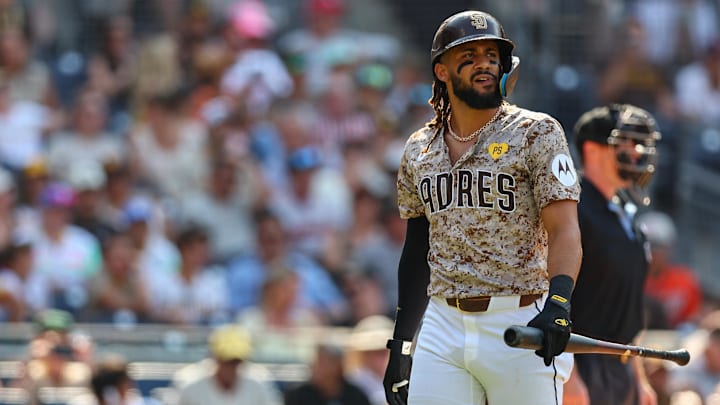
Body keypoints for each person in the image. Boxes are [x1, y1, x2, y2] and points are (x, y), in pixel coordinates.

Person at [382, 10, 583, 405]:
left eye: (492, 55)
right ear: (442, 71)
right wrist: (402, 343)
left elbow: (565, 229)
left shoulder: (537, 132)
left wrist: (559, 302)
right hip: (443, 323)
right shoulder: (418, 148)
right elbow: (416, 251)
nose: (484, 64)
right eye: (469, 56)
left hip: (519, 317)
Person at [563, 104, 663, 405]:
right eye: (627, 143)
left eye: (639, 145)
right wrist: (568, 377)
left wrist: (639, 378)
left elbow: (626, 309)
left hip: (620, 367)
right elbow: (551, 295)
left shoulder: (626, 213)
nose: (636, 153)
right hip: (582, 363)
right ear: (593, 150)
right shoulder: (572, 209)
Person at [177, 324, 282, 405]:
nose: (232, 367)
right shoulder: (189, 382)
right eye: (227, 360)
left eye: (237, 361)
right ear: (215, 356)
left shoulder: (260, 381)